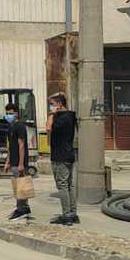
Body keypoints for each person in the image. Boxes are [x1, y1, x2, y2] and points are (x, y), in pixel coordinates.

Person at [47, 93, 79, 225]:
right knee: (69, 185)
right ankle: (72, 213)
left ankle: (67, 215)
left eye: (52, 104)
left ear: (60, 104)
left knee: (62, 185)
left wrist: (51, 115)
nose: (50, 107)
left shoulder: (62, 118)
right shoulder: (70, 116)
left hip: (60, 156)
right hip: (69, 154)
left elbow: (48, 128)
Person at [5, 102, 32, 221]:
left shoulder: (20, 126)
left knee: (22, 185)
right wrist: (8, 161)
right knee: (17, 186)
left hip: (20, 162)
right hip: (14, 162)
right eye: (6, 113)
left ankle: (23, 209)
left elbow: (21, 145)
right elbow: (11, 146)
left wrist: (21, 163)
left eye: (10, 113)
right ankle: (20, 208)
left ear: (16, 113)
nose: (8, 115)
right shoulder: (11, 127)